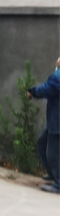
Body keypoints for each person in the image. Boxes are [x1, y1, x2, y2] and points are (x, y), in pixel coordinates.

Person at [27, 56, 60, 194]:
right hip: (54, 121)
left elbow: (47, 89)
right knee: (42, 143)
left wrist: (32, 91)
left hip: (57, 122)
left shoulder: (57, 78)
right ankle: (54, 174)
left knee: (53, 154)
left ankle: (59, 183)